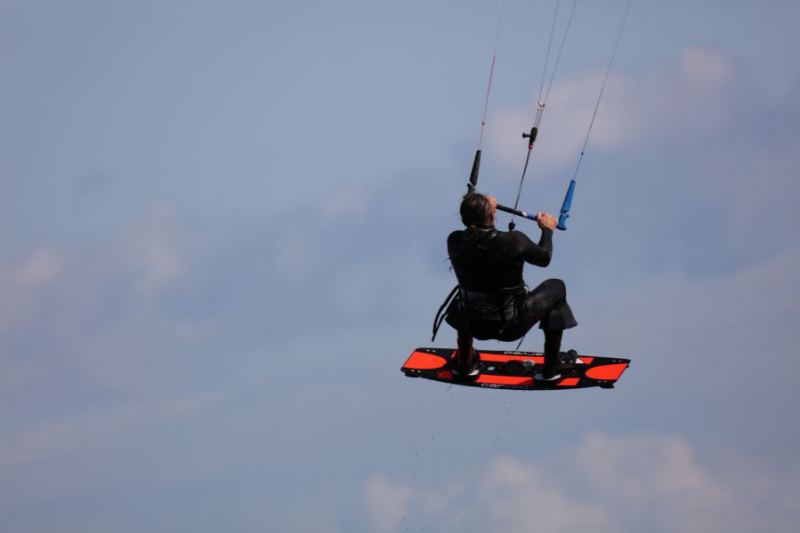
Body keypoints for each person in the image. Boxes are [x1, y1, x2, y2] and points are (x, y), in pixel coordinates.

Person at [442, 192, 578, 381]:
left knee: (468, 295)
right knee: (557, 286)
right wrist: (547, 230)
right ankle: (551, 369)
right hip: (511, 326)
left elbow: (477, 238)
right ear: (491, 215)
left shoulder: (455, 241)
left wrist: (481, 205)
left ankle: (465, 363)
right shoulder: (514, 241)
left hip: (471, 324)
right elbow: (544, 258)